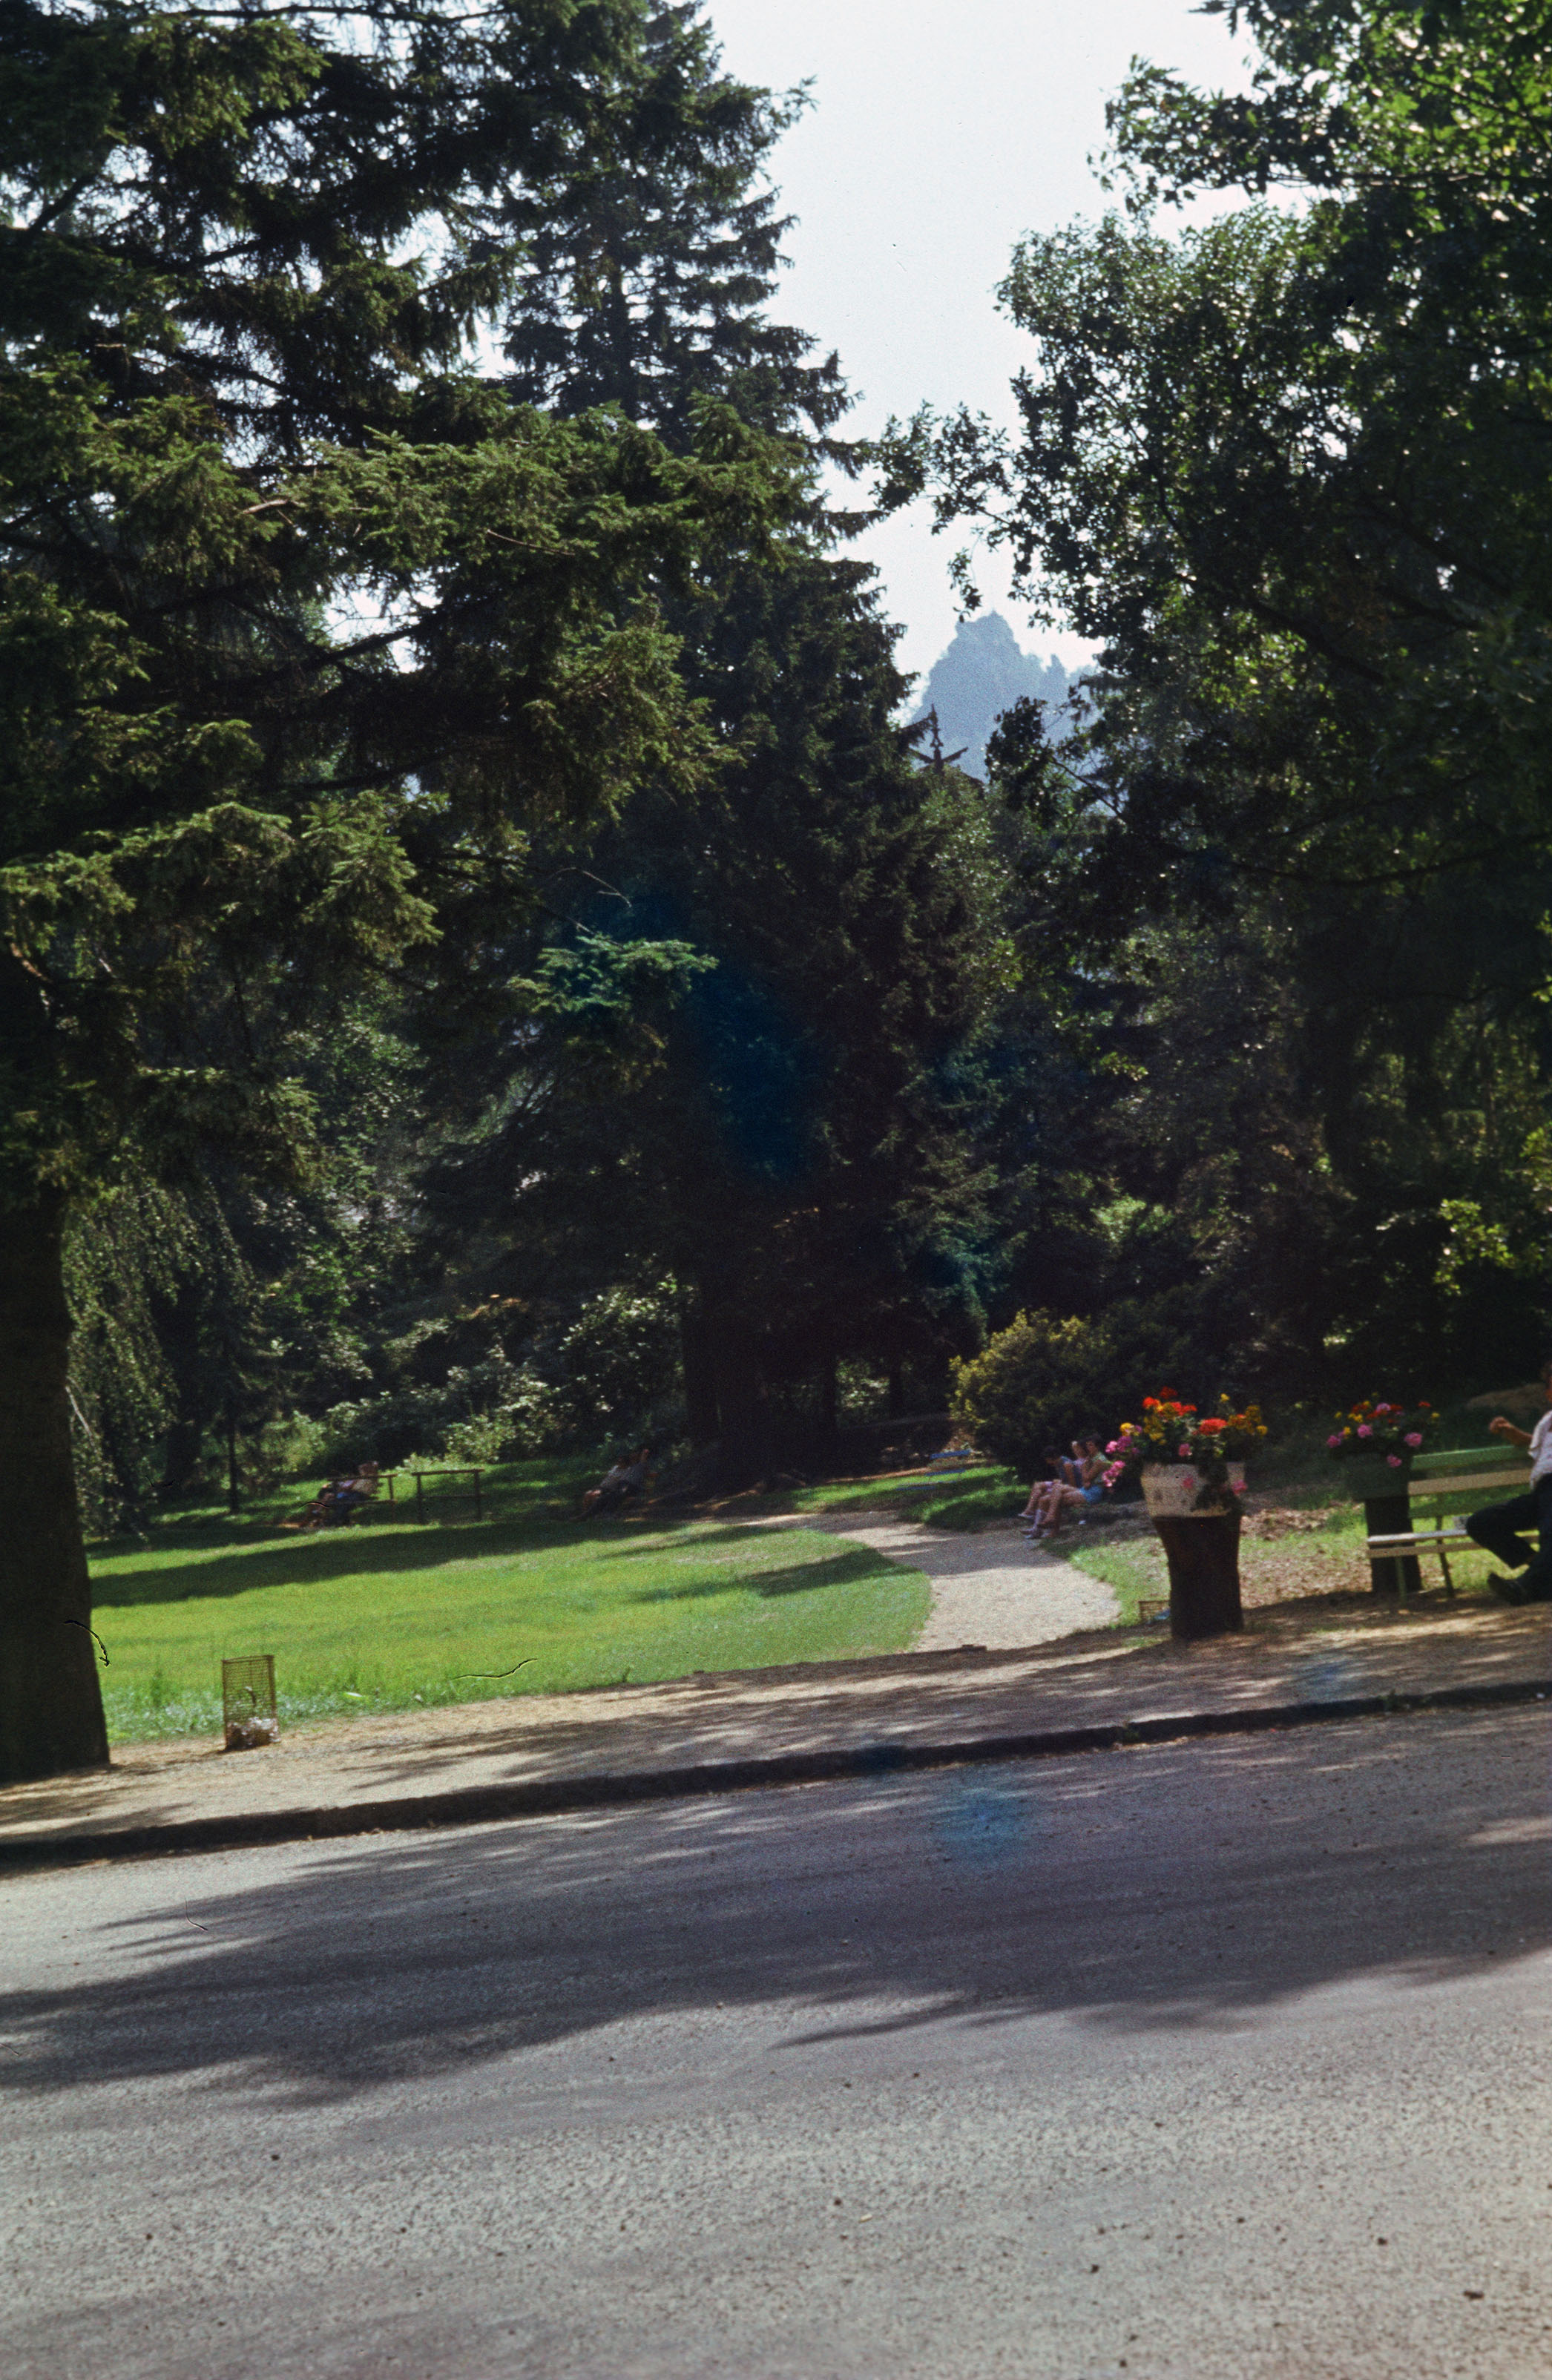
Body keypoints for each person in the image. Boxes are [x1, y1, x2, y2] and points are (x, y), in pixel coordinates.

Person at [1466, 1358, 1552, 1602]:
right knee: (1481, 1523)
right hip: (1543, 1493)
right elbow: (1534, 1445)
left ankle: (1524, 1587)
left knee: (1551, 1530)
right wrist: (1509, 1431)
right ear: (1549, 1394)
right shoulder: (1546, 1422)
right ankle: (1544, 1575)